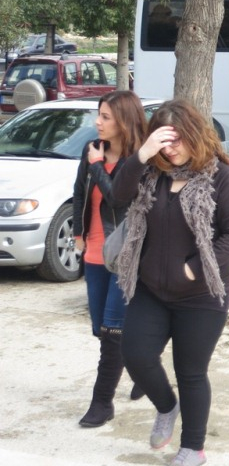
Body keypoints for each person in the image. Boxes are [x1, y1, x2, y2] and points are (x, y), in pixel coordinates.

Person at [111, 100, 229, 466]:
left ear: (194, 135)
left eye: (176, 140)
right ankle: (166, 406)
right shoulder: (150, 173)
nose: (170, 149)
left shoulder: (222, 178)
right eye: (163, 141)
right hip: (151, 289)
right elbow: (117, 196)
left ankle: (193, 448)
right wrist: (141, 155)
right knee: (136, 355)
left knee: (191, 372)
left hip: (201, 296)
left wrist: (194, 267)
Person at [72, 91, 148, 428]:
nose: (97, 122)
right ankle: (144, 369)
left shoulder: (139, 161)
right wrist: (78, 233)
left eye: (105, 117)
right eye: (98, 115)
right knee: (102, 330)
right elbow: (79, 192)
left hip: (125, 255)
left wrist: (97, 166)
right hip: (93, 252)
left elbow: (118, 199)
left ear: (124, 121)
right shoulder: (92, 150)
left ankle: (102, 403)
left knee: (113, 330)